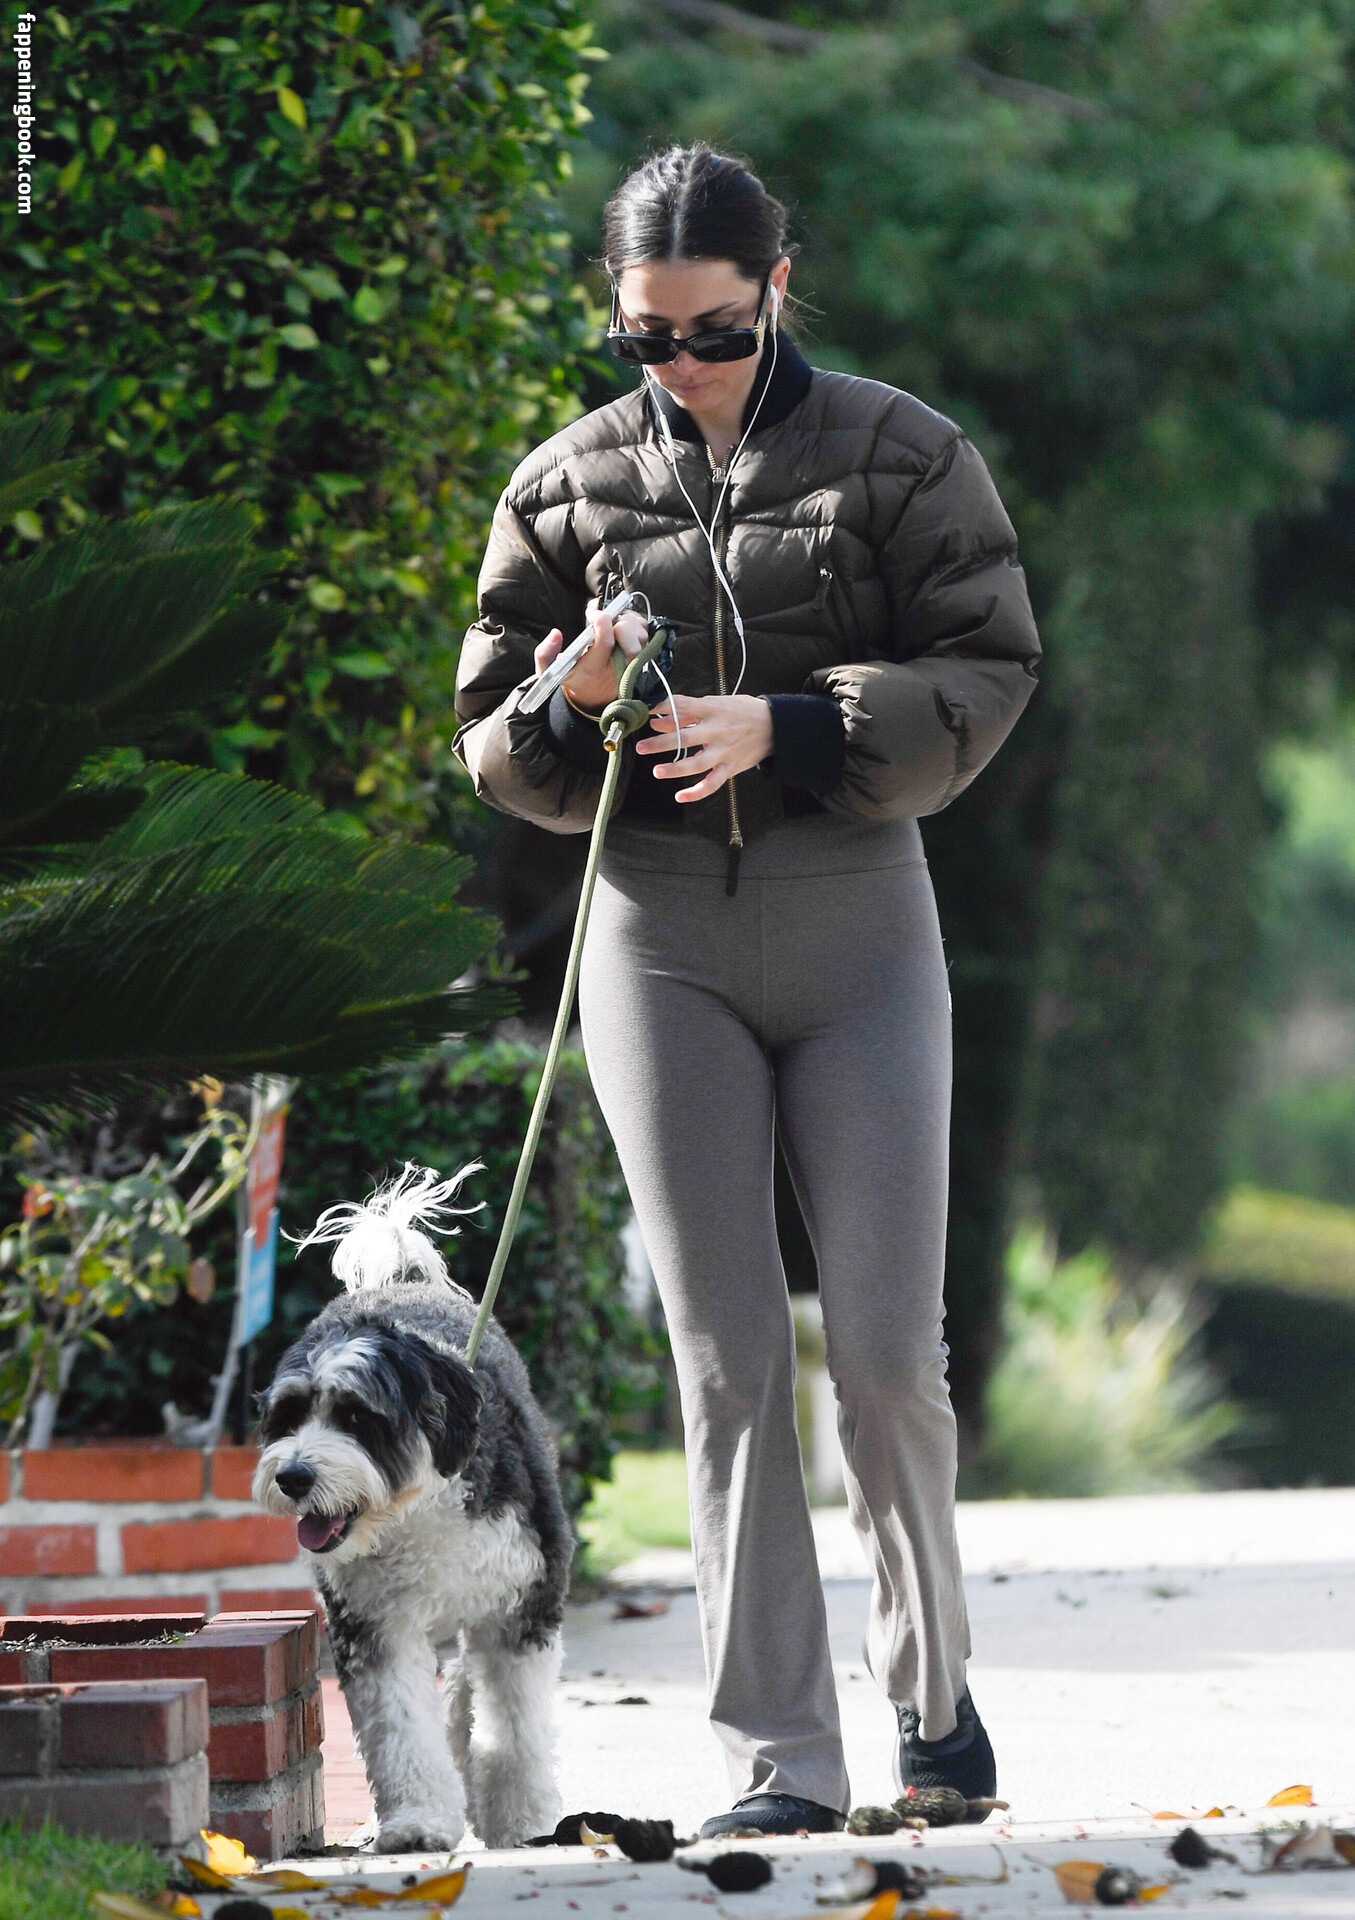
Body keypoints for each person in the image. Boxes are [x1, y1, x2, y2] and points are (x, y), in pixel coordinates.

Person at [454, 143, 1041, 1838]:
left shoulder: (902, 450)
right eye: (646, 336)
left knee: (886, 1361)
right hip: (655, 941)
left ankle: (933, 1703)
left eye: (712, 330)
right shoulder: (562, 485)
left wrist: (787, 725)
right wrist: (570, 702)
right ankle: (777, 1762)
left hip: (859, 923)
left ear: (776, 289)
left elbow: (990, 665)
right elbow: (496, 738)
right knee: (722, 1370)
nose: (682, 364)